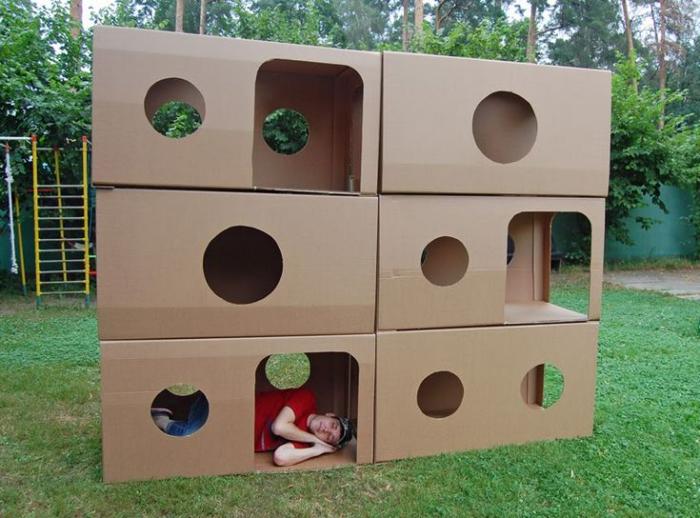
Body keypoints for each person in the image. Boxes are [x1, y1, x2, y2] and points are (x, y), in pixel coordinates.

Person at [151, 387, 354, 467]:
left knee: (198, 450)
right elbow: (279, 427)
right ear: (330, 414)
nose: (327, 430)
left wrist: (317, 450)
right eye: (333, 425)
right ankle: (162, 420)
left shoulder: (302, 442)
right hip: (223, 406)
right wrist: (316, 440)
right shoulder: (307, 398)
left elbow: (281, 457)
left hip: (226, 434)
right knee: (188, 434)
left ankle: (176, 418)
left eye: (329, 437)